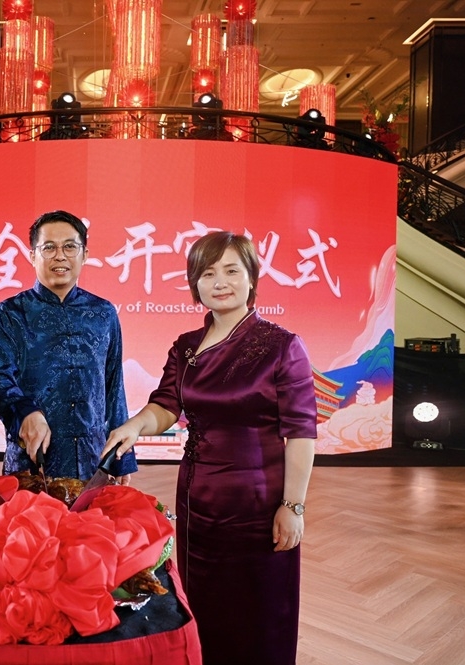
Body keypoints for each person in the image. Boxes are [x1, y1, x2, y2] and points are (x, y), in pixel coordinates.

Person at [104, 231, 317, 664]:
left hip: (258, 502)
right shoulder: (185, 346)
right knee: (204, 604)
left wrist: (292, 506)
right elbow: (166, 405)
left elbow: (301, 432)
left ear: (251, 278)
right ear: (194, 284)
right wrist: (136, 425)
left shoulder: (281, 346)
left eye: (231, 271)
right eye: (207, 273)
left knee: (260, 609)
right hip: (197, 499)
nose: (220, 282)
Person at [0, 210, 137, 482]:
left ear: (85, 254)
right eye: (49, 247)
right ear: (32, 256)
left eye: (70, 247)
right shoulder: (11, 313)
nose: (60, 256)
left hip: (93, 461)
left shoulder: (104, 313)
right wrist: (25, 412)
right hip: (32, 461)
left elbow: (114, 387)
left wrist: (122, 459)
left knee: (93, 525)